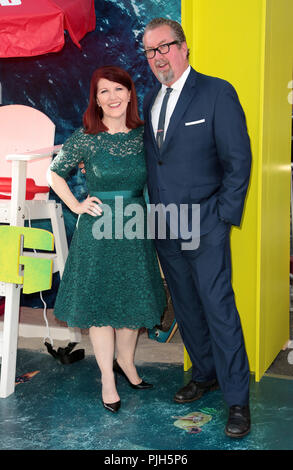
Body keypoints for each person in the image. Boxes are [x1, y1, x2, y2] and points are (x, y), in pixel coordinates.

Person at [142, 18, 252, 438]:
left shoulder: (216, 92)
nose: (158, 58)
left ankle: (237, 400)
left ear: (184, 48)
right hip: (166, 227)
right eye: (150, 52)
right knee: (186, 307)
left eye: (164, 47)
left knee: (219, 309)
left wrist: (222, 215)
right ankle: (203, 374)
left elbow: (238, 160)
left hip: (206, 224)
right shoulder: (152, 101)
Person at [48, 65, 166, 413]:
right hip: (98, 232)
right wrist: (77, 205)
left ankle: (127, 364)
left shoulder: (146, 136)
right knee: (100, 309)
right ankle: (107, 378)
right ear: (95, 100)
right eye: (104, 91)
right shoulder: (85, 137)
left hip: (134, 228)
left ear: (130, 94)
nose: (112, 97)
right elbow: (55, 173)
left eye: (119, 89)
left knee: (132, 304)